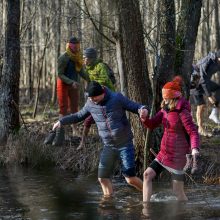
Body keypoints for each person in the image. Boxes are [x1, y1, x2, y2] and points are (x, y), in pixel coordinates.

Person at [52, 81, 144, 196]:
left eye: (94, 97)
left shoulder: (117, 98)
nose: (92, 100)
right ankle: (109, 204)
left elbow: (136, 106)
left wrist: (142, 109)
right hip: (109, 146)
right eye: (90, 98)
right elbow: (78, 116)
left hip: (124, 144)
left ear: (102, 93)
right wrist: (61, 121)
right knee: (102, 178)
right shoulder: (90, 103)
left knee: (130, 179)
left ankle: (149, 193)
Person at [139, 76, 200, 202]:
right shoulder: (164, 110)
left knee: (178, 192)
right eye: (163, 96)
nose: (163, 98)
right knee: (147, 175)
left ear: (172, 96)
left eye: (165, 96)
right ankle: (146, 209)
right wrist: (144, 118)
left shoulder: (182, 112)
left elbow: (193, 132)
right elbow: (152, 124)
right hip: (164, 154)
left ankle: (184, 212)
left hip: (178, 157)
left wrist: (194, 148)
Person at [44, 36, 89, 146]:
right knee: (63, 108)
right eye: (74, 45)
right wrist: (70, 82)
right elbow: (60, 74)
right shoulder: (63, 57)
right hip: (63, 84)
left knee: (74, 107)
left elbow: (81, 72)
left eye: (78, 45)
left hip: (74, 84)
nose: (76, 48)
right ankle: (61, 132)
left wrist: (91, 79)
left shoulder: (78, 57)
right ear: (69, 45)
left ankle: (74, 130)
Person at [77, 47, 115, 150]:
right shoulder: (89, 68)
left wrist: (93, 88)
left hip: (107, 98)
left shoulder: (100, 66)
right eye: (83, 58)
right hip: (95, 99)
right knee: (88, 120)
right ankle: (82, 143)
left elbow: (104, 80)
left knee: (105, 122)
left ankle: (109, 145)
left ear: (91, 58)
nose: (84, 60)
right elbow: (88, 79)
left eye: (85, 58)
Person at [190, 51, 220, 137]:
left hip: (205, 81)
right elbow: (202, 79)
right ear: (218, 57)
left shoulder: (218, 62)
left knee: (218, 88)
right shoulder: (207, 61)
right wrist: (209, 95)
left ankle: (214, 112)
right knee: (201, 106)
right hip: (195, 80)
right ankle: (200, 129)